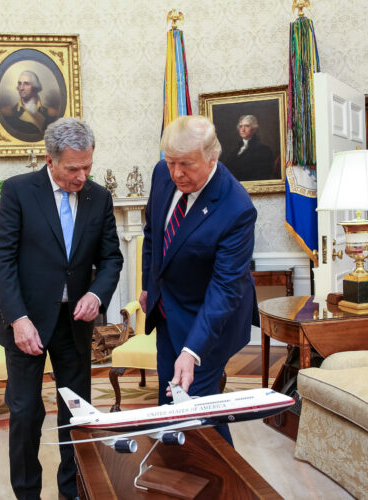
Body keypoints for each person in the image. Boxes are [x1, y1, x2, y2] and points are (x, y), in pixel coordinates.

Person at [0, 117, 123, 500]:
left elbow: (111, 259)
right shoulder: (18, 191)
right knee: (27, 414)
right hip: (25, 324)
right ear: (50, 160)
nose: (81, 176)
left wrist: (97, 294)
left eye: (87, 166)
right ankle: (28, 494)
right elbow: (1, 260)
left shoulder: (100, 197)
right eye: (72, 169)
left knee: (75, 412)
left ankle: (73, 491)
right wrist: (18, 318)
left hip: (73, 324)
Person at [140, 115, 258, 446]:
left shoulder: (237, 208)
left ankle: (230, 485)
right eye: (171, 162)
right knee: (170, 400)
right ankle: (177, 477)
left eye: (187, 165)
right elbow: (153, 233)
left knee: (196, 407)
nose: (177, 173)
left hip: (210, 318)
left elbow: (224, 289)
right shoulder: (162, 173)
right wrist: (150, 286)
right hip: (168, 308)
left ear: (212, 158)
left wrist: (192, 351)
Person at [1, 70, 60, 139]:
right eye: (20, 83)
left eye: (26, 84)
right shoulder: (8, 113)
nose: (21, 88)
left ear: (35, 87)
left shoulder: (51, 114)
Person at [223, 114, 275, 181]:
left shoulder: (264, 150)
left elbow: (263, 175)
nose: (243, 129)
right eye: (240, 126)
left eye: (247, 126)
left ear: (254, 129)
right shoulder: (235, 151)